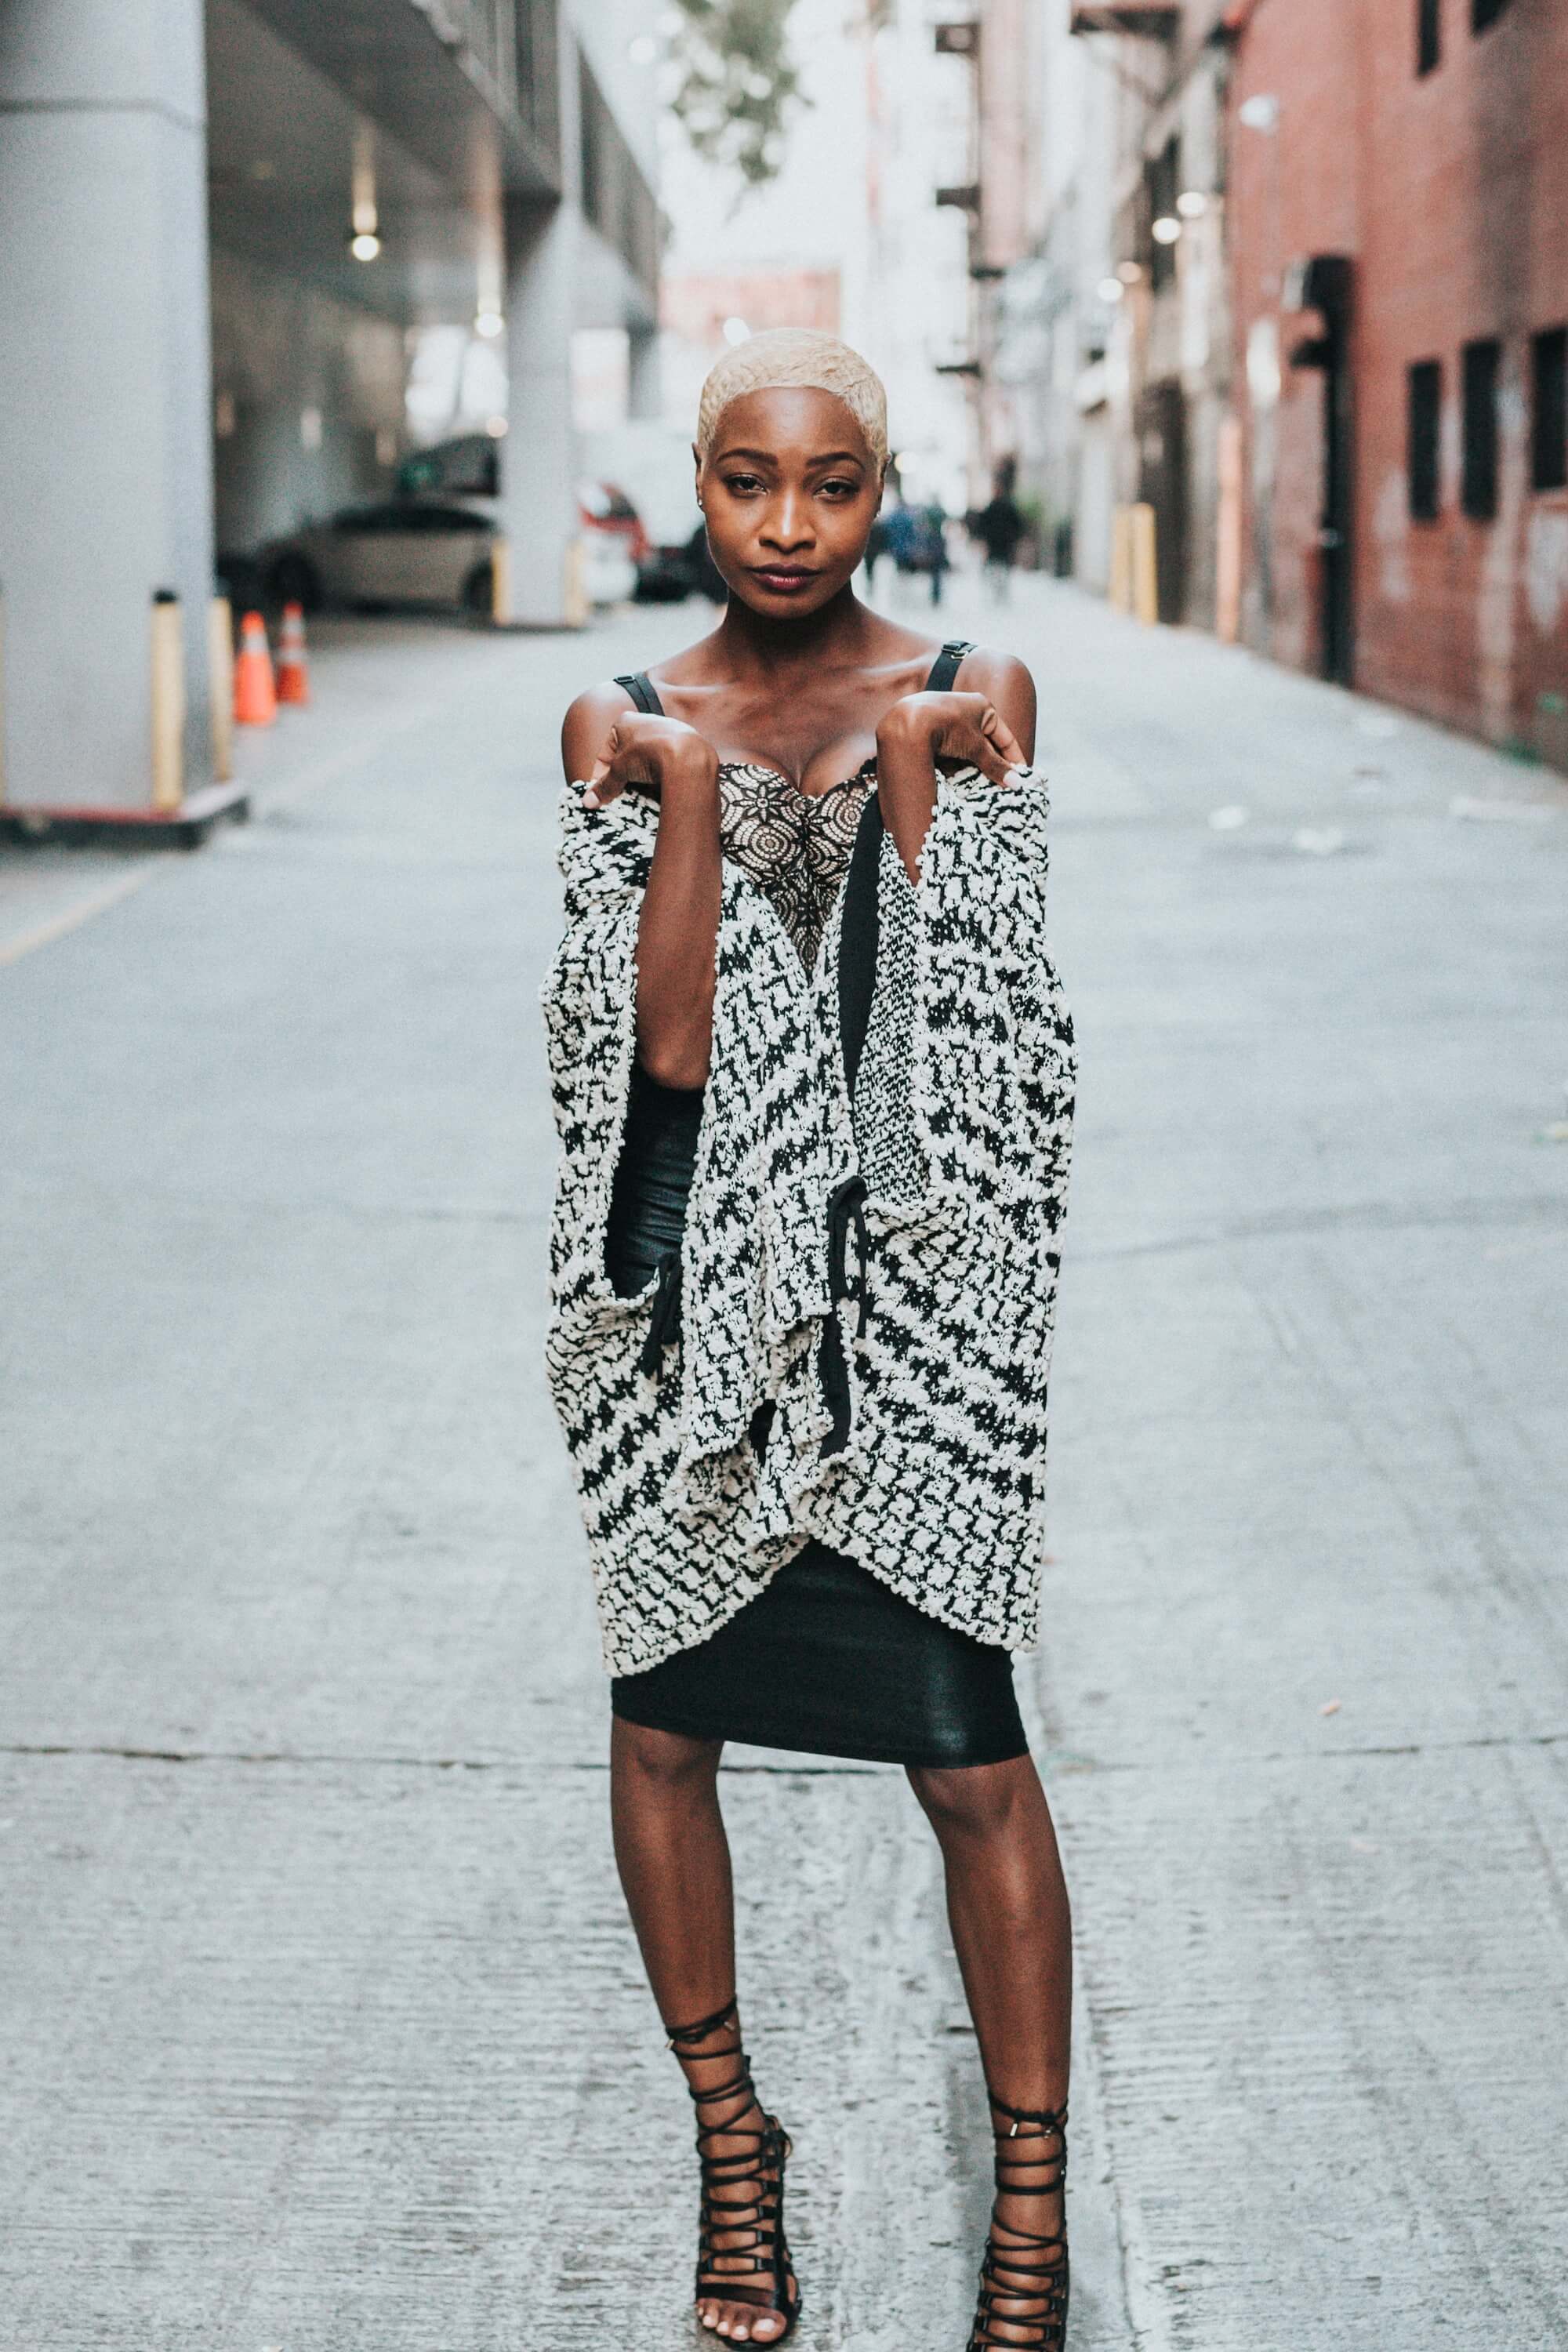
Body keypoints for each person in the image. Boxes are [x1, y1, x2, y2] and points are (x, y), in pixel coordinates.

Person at [549, 328, 1076, 2352]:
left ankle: (1024, 2226)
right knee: (666, 1731)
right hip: (685, 1320)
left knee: (971, 1766)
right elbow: (654, 1061)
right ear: (701, 482)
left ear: (881, 487)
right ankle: (733, 2164)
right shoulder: (620, 718)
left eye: (834, 483)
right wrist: (692, 790)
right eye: (752, 481)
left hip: (917, 1319)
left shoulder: (973, 693)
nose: (790, 525)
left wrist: (920, 794)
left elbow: (967, 1057)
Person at [975, 465, 1027, 603]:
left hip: (1004, 543)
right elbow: (983, 525)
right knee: (995, 568)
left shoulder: (1008, 507)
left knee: (1003, 569)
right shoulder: (992, 507)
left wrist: (1016, 539)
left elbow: (1017, 524)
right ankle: (997, 592)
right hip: (995, 543)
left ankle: (1001, 592)